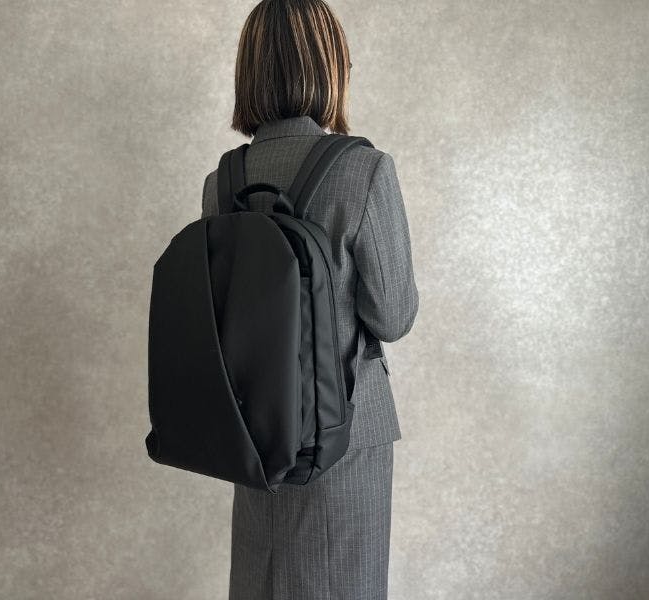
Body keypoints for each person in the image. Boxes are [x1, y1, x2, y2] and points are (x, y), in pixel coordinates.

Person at [200, 1, 420, 598]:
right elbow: (393, 316)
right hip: (344, 433)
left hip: (255, 431)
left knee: (262, 579)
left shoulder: (222, 182)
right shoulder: (364, 171)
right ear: (329, 67)